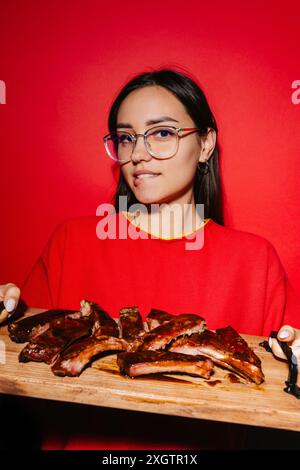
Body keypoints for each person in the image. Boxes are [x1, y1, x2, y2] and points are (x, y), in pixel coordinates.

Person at [1, 68, 300, 449]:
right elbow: (17, 379)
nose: (138, 154)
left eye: (162, 133)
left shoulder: (255, 259)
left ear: (206, 143)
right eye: (126, 138)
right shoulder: (71, 240)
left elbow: (286, 381)